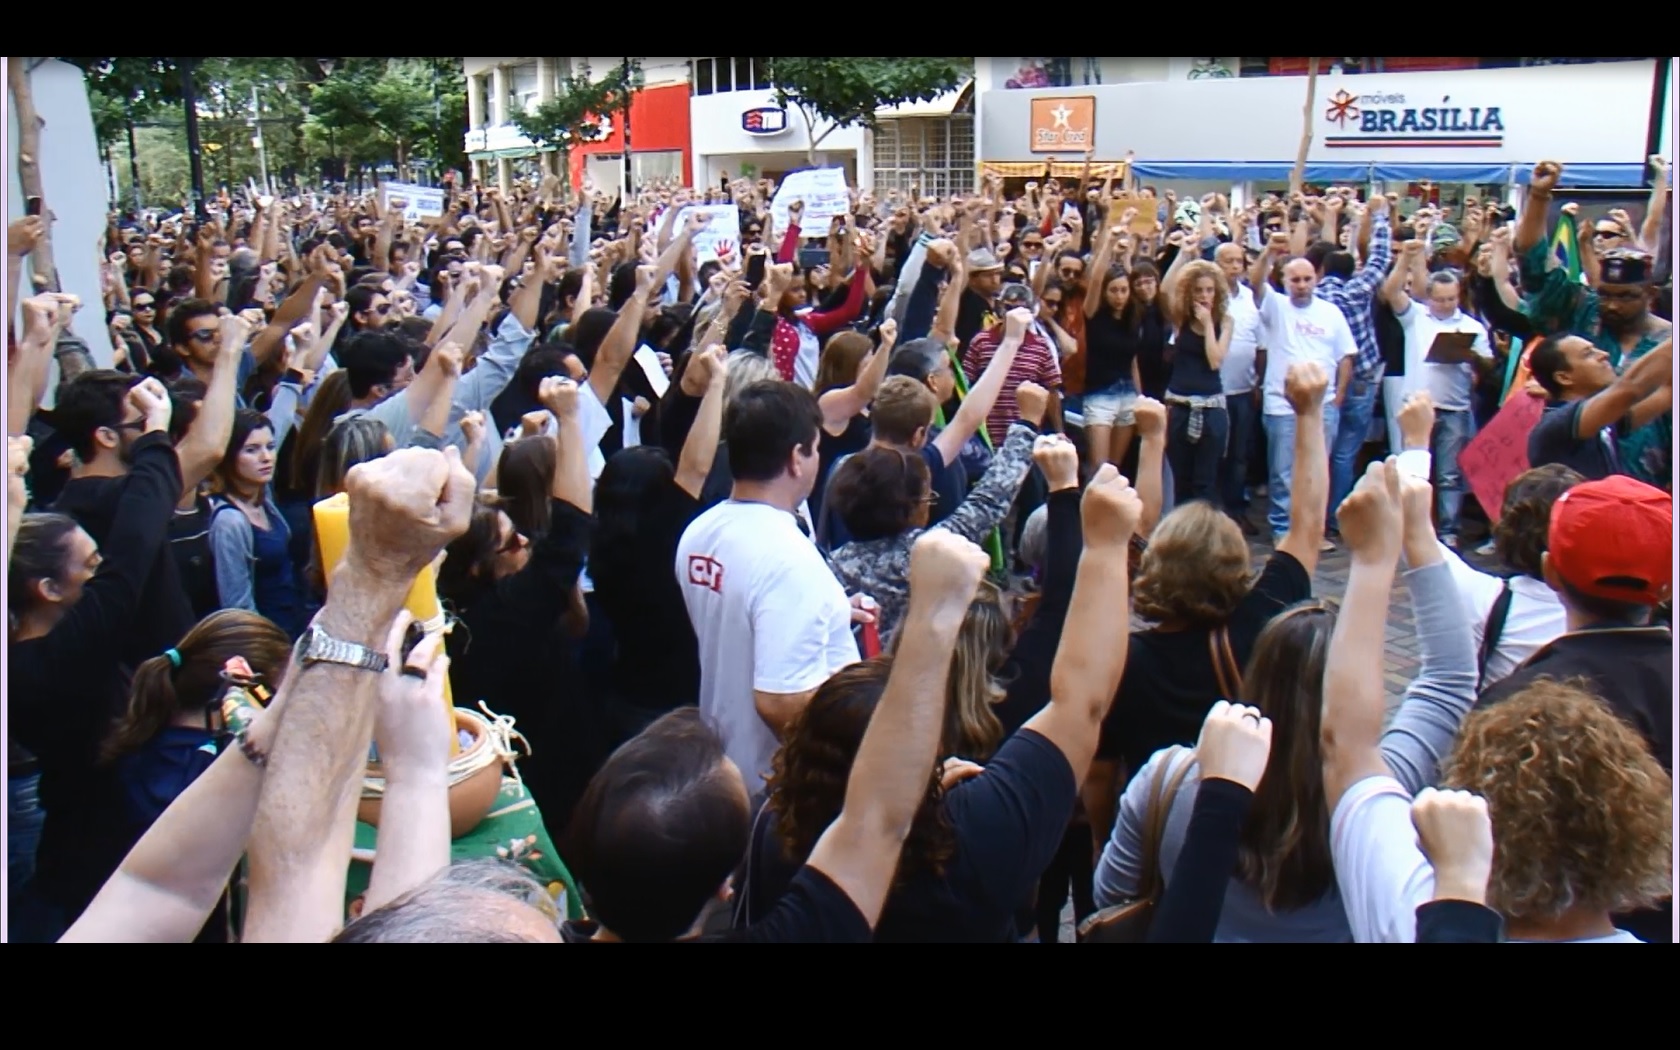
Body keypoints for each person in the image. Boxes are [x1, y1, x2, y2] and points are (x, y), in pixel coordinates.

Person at [675, 380, 866, 798]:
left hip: (721, 765)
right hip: (775, 786)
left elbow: (744, 616)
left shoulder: (700, 531)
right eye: (815, 448)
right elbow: (779, 701)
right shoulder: (789, 561)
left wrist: (830, 611)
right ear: (796, 458)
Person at [1381, 246, 1494, 547]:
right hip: (1418, 406)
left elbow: (1488, 365)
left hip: (1454, 406)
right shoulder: (1415, 317)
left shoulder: (1471, 326)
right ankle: (1411, 526)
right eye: (1439, 299)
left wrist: (1469, 355)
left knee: (1449, 474)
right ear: (1428, 297)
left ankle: (1448, 531)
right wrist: (1405, 260)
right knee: (1413, 470)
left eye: (1451, 299)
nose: (1445, 305)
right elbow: (1391, 292)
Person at [1248, 232, 1355, 547]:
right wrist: (1269, 253)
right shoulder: (1276, 306)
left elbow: (1346, 356)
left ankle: (1313, 530)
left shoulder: (1331, 312)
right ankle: (1283, 529)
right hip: (1282, 405)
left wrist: (1339, 395)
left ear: (1317, 279)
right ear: (1284, 281)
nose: (1302, 285)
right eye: (1295, 280)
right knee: (1283, 472)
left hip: (1323, 405)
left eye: (1307, 279)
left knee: (1317, 470)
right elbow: (1256, 283)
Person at [209, 409, 306, 638]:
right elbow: (237, 604)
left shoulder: (263, 498)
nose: (266, 457)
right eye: (251, 450)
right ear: (229, 456)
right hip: (267, 636)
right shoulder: (229, 521)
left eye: (270, 447)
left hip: (294, 623)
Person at [1524, 334, 1671, 480]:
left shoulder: (1603, 420)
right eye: (1588, 354)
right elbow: (1630, 388)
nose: (1604, 354)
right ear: (1564, 378)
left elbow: (1668, 393)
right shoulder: (1555, 427)